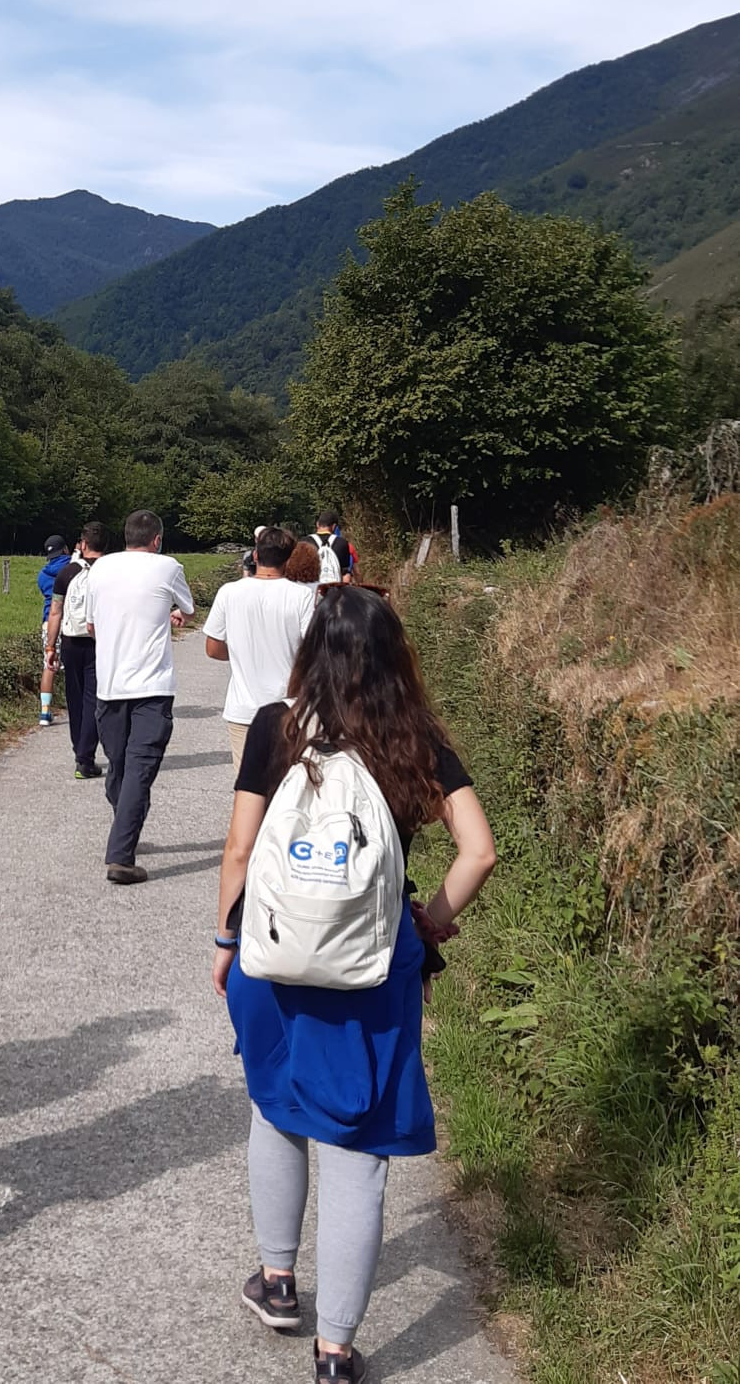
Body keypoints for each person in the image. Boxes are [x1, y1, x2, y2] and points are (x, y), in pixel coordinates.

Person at [212, 585, 496, 1383]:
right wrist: (426, 925)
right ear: (396, 654)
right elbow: (478, 851)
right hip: (371, 966)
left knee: (276, 1108)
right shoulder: (417, 738)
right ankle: (335, 1352)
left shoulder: (278, 725)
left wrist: (226, 938)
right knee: (356, 1152)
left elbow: (239, 851)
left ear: (312, 653)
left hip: (272, 958)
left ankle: (275, 1280)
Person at [85, 510, 194, 885]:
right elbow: (189, 609)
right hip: (152, 687)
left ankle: (123, 838)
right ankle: (122, 852)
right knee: (137, 770)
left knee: (122, 766)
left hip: (110, 685)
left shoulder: (99, 570)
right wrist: (169, 614)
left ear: (125, 537)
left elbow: (91, 624)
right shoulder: (168, 566)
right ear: (157, 540)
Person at [204, 527, 316, 772]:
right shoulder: (302, 597)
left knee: (248, 789)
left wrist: (238, 652)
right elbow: (313, 650)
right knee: (286, 788)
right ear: (289, 559)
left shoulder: (229, 592)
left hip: (243, 708)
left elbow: (212, 648)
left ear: (255, 556)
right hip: (289, 708)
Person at [45, 522, 107, 780]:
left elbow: (55, 612)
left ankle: (79, 751)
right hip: (99, 641)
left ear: (83, 544)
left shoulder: (66, 573)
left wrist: (51, 646)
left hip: (70, 641)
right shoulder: (111, 572)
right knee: (95, 699)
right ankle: (85, 757)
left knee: (75, 698)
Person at [36, 534, 72, 726]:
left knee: (49, 665)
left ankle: (44, 711)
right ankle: (78, 705)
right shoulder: (74, 566)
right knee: (76, 666)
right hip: (71, 621)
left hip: (49, 621)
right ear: (65, 549)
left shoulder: (42, 575)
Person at [307, 510, 355, 585]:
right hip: (334, 590)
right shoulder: (342, 543)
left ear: (317, 524)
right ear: (334, 527)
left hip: (311, 591)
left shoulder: (305, 542)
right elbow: (345, 575)